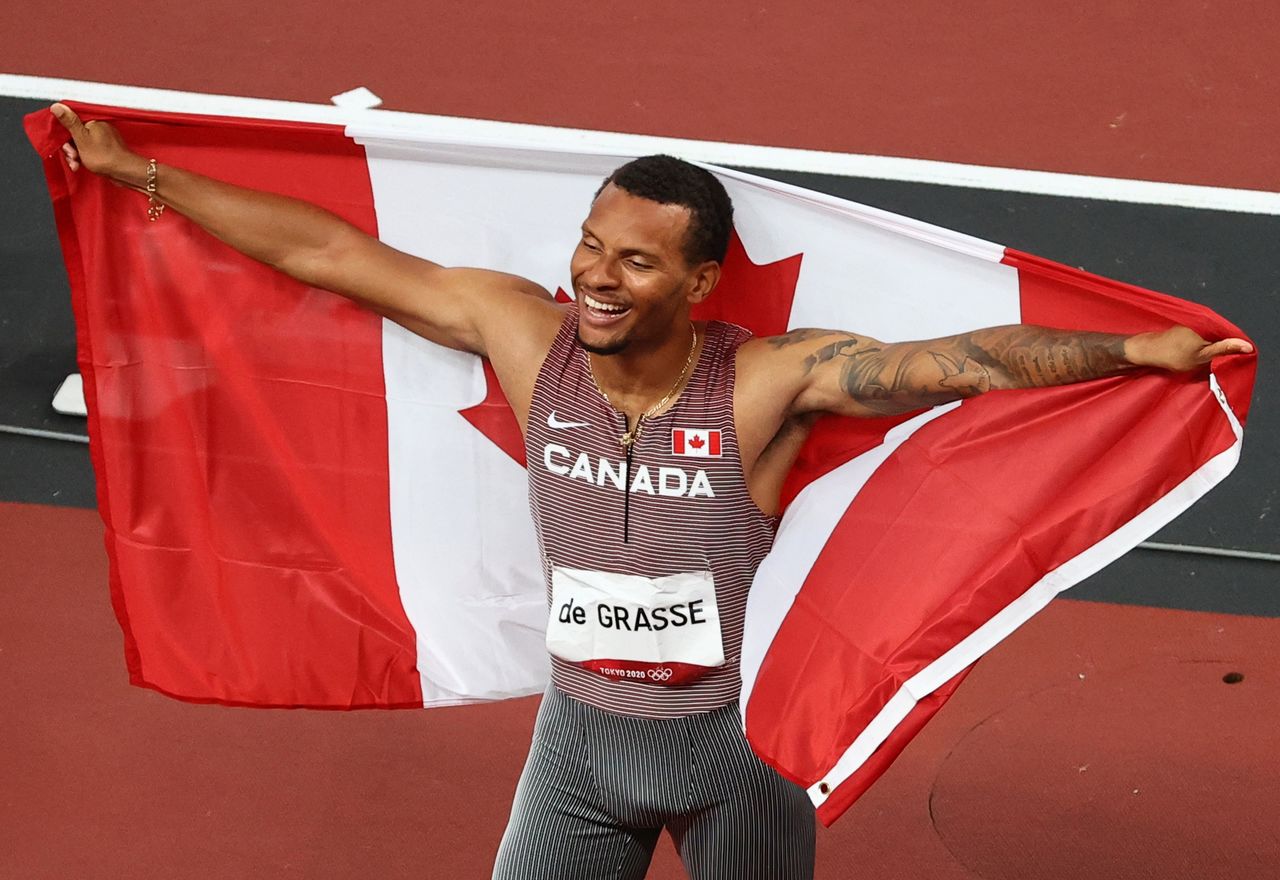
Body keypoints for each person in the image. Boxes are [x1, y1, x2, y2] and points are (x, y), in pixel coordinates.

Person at [50, 103, 1252, 880]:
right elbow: (328, 253)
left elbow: (953, 362)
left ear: (701, 278)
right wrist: (141, 174)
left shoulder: (767, 383)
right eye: (589, 245)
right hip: (577, 743)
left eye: (634, 261)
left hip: (735, 749)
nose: (596, 278)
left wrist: (1128, 352)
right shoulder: (526, 341)